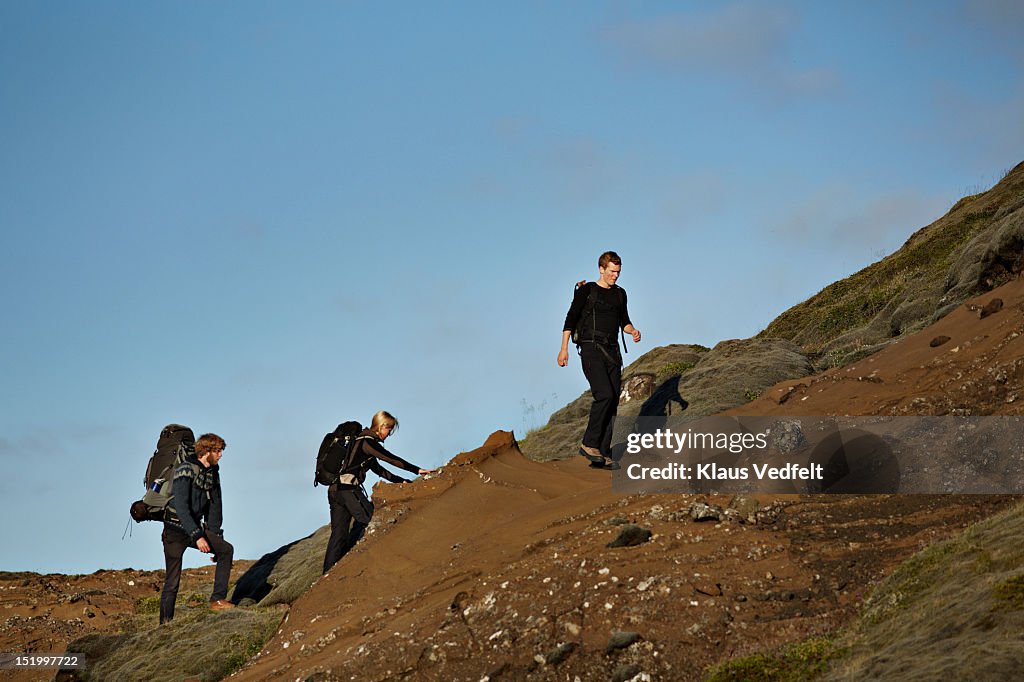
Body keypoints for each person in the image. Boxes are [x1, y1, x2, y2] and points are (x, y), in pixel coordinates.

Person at [557, 251, 641, 469]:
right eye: (612, 271)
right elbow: (570, 319)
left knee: (613, 400)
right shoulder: (587, 290)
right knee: (603, 394)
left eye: (618, 272)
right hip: (590, 347)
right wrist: (563, 349)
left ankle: (603, 453)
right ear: (601, 269)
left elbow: (625, 321)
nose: (615, 276)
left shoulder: (620, 294)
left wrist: (632, 332)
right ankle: (589, 444)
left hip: (613, 351)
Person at [322, 411, 434, 573]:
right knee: (371, 520)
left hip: (334, 491)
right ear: (382, 426)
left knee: (338, 535)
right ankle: (376, 562)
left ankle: (326, 575)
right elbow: (389, 458)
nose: (389, 434)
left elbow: (379, 470)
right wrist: (417, 470)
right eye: (389, 429)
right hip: (347, 490)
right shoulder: (368, 442)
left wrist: (399, 480)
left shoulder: (359, 442)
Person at [159, 432, 235, 624]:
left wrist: (216, 536)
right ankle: (164, 625)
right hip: (174, 530)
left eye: (221, 451)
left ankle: (217, 600)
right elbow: (182, 507)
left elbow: (215, 506)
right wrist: (198, 536)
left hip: (195, 529)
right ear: (206, 451)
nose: (220, 455)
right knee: (172, 582)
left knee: (225, 550)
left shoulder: (213, 472)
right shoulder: (185, 469)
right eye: (217, 451)